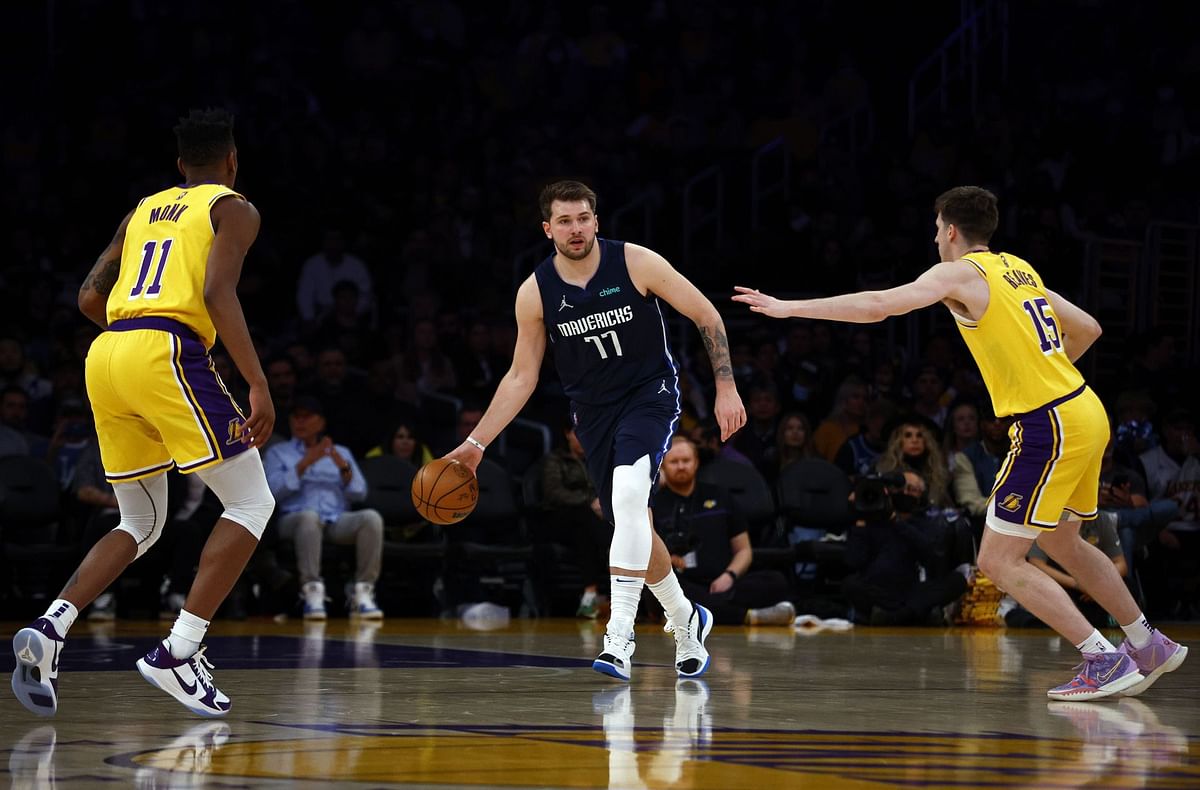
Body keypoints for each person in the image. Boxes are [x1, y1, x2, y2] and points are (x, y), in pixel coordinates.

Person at [735, 185, 1188, 700]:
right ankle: (1146, 642)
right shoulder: (1019, 268)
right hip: (1085, 408)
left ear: (950, 229)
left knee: (997, 561)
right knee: (1064, 541)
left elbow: (879, 306)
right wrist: (1048, 371)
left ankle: (1102, 657)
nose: (934, 238)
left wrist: (790, 308)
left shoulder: (959, 272)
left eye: (935, 229)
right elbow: (1088, 327)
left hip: (1048, 423)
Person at [11, 108, 276, 718]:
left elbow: (87, 297)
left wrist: (133, 342)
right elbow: (216, 293)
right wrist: (258, 383)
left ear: (179, 165)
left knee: (141, 520)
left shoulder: (142, 211)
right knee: (251, 502)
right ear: (232, 161)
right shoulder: (232, 207)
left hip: (106, 354)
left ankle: (52, 630)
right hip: (167, 348)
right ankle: (180, 649)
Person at [445, 180, 746, 681]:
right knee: (631, 521)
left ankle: (618, 638)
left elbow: (706, 313)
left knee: (629, 497)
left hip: (649, 397)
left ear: (596, 220)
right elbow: (521, 377)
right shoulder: (535, 292)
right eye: (564, 220)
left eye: (583, 217)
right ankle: (685, 618)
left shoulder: (636, 262)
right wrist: (476, 444)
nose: (576, 228)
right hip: (594, 415)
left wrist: (726, 386)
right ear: (547, 229)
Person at [264, 395, 384, 620]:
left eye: (307, 417)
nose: (300, 423)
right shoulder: (278, 452)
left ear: (321, 423)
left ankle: (363, 591)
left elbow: (360, 492)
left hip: (335, 520)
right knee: (309, 517)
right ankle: (312, 591)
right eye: (296, 417)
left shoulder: (341, 452)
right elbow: (271, 493)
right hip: (294, 520)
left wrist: (344, 469)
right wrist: (305, 463)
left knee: (371, 518)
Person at [653, 437, 795, 626]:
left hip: (724, 583)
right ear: (662, 466)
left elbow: (744, 551)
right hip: (683, 581)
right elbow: (647, 555)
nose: (680, 466)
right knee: (661, 593)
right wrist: (667, 560)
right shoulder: (654, 504)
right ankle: (750, 617)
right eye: (674, 462)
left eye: (686, 461)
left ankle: (695, 613)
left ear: (696, 463)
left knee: (776, 581)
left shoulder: (720, 496)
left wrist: (730, 576)